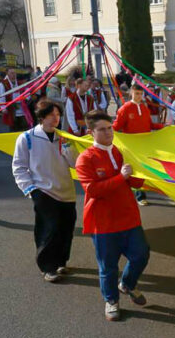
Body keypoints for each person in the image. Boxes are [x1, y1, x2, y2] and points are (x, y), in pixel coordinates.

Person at [75, 110, 150, 321]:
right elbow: (93, 190)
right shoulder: (85, 159)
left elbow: (126, 179)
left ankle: (127, 284)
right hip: (103, 222)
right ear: (91, 133)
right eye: (102, 129)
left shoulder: (117, 151)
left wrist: (146, 178)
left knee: (141, 254)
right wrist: (121, 177)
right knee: (108, 266)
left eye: (110, 128)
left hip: (128, 216)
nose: (108, 133)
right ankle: (111, 301)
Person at [11, 99, 77, 283]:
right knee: (49, 229)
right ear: (41, 117)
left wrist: (68, 149)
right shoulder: (27, 138)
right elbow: (19, 166)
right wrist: (30, 189)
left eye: (57, 115)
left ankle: (61, 261)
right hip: (43, 192)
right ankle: (47, 267)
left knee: (66, 227)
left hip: (66, 191)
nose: (55, 118)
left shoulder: (64, 137)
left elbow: (76, 164)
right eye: (51, 115)